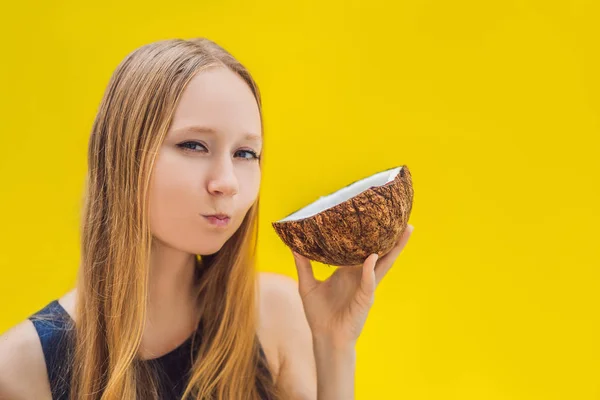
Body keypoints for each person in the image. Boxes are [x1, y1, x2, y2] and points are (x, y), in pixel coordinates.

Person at [0, 37, 414, 400]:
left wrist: (334, 346)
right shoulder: (20, 369)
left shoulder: (275, 314)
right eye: (194, 145)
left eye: (245, 153)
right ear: (121, 156)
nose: (228, 182)